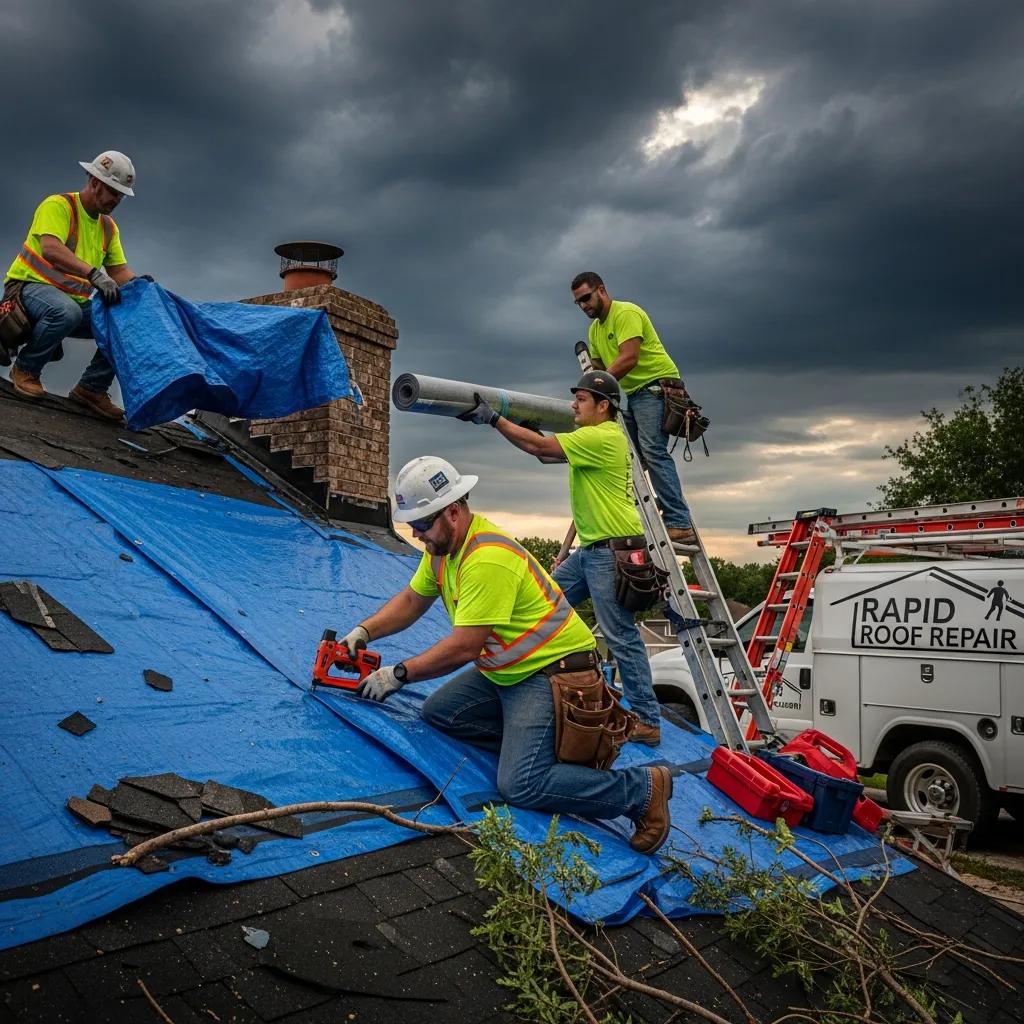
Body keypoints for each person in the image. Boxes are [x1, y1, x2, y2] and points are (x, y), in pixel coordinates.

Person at [340, 455, 673, 854]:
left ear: (454, 511)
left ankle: (641, 790)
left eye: (423, 525)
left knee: (521, 784)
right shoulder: (443, 553)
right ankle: (546, 751)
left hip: (553, 674)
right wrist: (365, 631)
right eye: (412, 526)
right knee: (439, 713)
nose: (417, 535)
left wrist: (398, 674)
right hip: (506, 671)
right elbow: (413, 599)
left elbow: (464, 647)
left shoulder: (487, 557)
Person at [457, 371, 664, 745]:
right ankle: (558, 686)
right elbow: (545, 456)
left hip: (611, 552)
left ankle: (647, 720)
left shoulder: (602, 436)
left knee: (620, 635)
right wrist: (519, 422)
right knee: (544, 605)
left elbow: (541, 449)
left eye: (581, 399)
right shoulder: (592, 439)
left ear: (604, 407)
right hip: (593, 550)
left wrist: (494, 418)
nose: (573, 405)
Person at [4, 151, 142, 420]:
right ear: (94, 181)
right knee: (67, 312)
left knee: (124, 322)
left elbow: (119, 271)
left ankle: (90, 389)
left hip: (71, 301)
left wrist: (142, 289)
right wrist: (94, 274)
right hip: (27, 290)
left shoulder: (108, 228)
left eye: (121, 194)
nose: (117, 199)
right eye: (113, 191)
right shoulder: (59, 206)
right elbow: (51, 249)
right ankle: (25, 369)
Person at [571, 271, 695, 544]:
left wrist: (595, 386)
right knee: (627, 455)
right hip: (635, 394)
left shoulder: (626, 313)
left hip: (656, 387)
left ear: (601, 290)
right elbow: (601, 369)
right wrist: (593, 379)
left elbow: (628, 359)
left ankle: (678, 521)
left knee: (652, 451)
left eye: (586, 298)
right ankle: (641, 514)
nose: (584, 306)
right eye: (578, 302)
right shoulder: (595, 330)